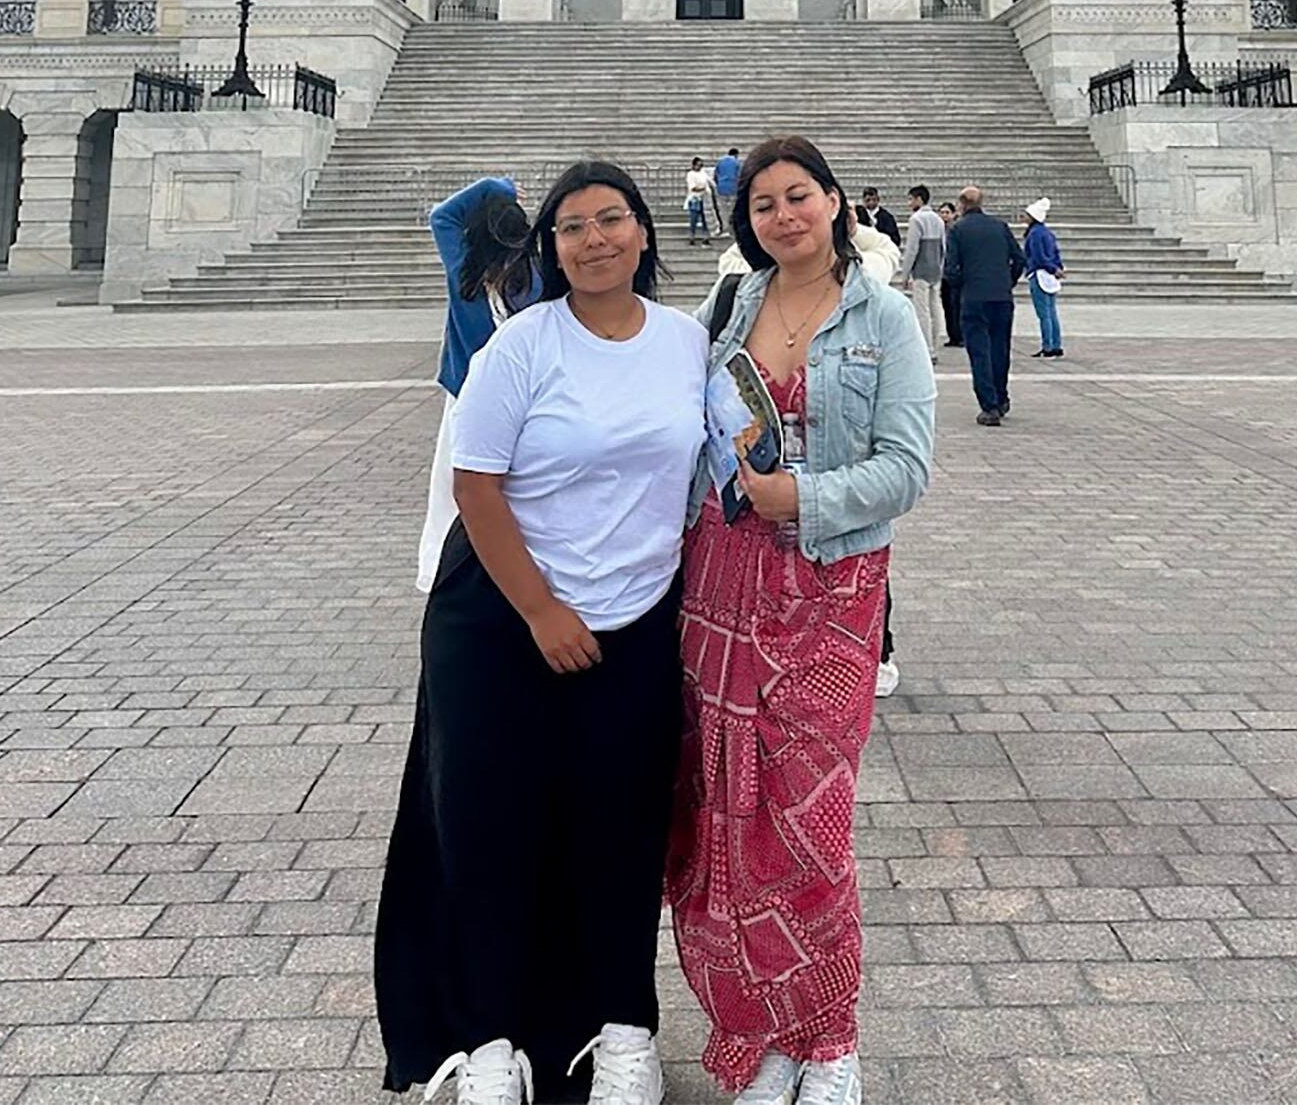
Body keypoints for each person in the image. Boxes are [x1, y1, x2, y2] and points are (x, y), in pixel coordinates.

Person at [376, 160, 706, 1105]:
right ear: (548, 247)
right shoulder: (519, 345)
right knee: (487, 827)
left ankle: (622, 1032)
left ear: (645, 233)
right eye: (572, 226)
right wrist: (541, 611)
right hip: (502, 618)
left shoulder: (687, 342)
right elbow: (473, 485)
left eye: (612, 220)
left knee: (622, 830)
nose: (594, 239)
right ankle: (488, 1041)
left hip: (637, 618)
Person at [670, 135, 935, 1105]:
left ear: (834, 202)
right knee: (721, 824)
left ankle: (831, 1038)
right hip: (720, 585)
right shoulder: (734, 303)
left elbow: (907, 468)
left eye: (799, 196)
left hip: (824, 594)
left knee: (805, 827)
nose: (783, 214)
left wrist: (801, 498)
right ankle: (762, 1028)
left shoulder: (886, 316)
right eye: (766, 203)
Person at [415, 179, 538, 601]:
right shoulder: (536, 279)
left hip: (466, 400)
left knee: (454, 495)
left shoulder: (462, 267)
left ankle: (443, 569)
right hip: (523, 403)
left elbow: (441, 215)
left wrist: (496, 185)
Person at [943, 185, 1022, 426]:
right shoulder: (1000, 227)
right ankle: (1001, 397)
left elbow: (950, 269)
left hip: (974, 297)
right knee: (1000, 348)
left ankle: (989, 405)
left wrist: (961, 287)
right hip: (1001, 297)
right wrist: (1007, 281)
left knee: (979, 351)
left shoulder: (958, 230)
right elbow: (1019, 258)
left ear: (961, 205)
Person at [900, 187, 945, 352]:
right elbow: (943, 246)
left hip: (921, 269)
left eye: (911, 199)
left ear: (919, 199)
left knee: (922, 310)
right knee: (935, 308)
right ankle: (935, 343)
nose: (910, 203)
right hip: (935, 268)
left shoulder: (916, 219)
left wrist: (905, 273)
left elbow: (912, 249)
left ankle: (927, 347)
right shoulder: (938, 219)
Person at [1022, 197, 1065, 360]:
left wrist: (1051, 268)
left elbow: (1038, 257)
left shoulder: (1034, 234)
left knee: (1044, 314)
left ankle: (1047, 345)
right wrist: (1058, 268)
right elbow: (1055, 253)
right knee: (1052, 311)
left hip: (1040, 274)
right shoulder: (1047, 233)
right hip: (1051, 276)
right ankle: (1056, 344)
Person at [936, 199, 964, 348]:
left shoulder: (958, 230)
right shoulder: (938, 230)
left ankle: (960, 335)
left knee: (956, 305)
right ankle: (952, 335)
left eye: (947, 213)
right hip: (942, 273)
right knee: (947, 305)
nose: (944, 216)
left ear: (953, 214)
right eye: (942, 213)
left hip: (954, 272)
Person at [685, 155, 718, 243]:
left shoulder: (702, 173)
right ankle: (692, 236)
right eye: (698, 165)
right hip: (695, 199)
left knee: (705, 219)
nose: (699, 167)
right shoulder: (691, 174)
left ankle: (706, 237)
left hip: (704, 199)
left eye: (701, 165)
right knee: (694, 219)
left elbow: (710, 181)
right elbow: (692, 188)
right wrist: (702, 188)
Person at [712, 144, 742, 231]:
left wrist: (718, 184)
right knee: (732, 207)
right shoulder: (736, 163)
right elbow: (739, 176)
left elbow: (715, 175)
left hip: (721, 187)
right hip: (733, 187)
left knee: (723, 208)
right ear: (736, 155)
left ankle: (724, 226)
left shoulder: (721, 162)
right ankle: (731, 225)